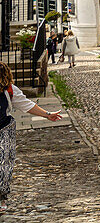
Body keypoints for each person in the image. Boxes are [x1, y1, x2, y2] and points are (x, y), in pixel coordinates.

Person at [0, 62, 63, 205]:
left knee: (4, 163)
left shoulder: (10, 90)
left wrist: (47, 114)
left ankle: (1, 196)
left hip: (4, 128)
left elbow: (27, 105)